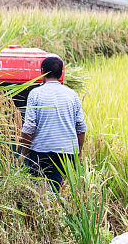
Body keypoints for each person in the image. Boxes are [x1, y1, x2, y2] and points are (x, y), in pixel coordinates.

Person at [19, 56, 87, 190]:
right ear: (61, 73)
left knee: (37, 189)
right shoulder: (72, 95)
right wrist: (78, 154)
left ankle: (43, 210)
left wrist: (23, 153)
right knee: (57, 188)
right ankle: (57, 209)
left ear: (42, 71)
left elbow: (29, 127)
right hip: (66, 152)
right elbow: (81, 127)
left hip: (40, 151)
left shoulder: (35, 94)